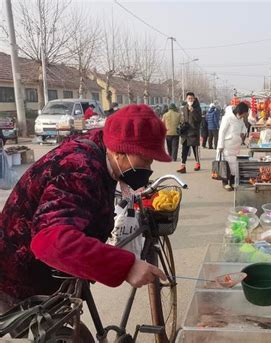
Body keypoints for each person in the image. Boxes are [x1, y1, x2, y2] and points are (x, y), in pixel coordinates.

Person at [0, 105, 170, 313]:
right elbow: (51, 241)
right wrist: (126, 266)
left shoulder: (100, 149)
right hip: (20, 276)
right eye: (145, 159)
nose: (149, 167)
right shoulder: (78, 168)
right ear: (120, 151)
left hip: (47, 273)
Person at [217, 103, 248, 191]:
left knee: (234, 165)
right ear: (239, 111)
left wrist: (243, 132)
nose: (243, 116)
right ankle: (225, 182)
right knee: (226, 164)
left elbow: (244, 128)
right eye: (243, 114)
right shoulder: (227, 118)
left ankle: (233, 181)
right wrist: (220, 145)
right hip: (227, 145)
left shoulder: (240, 119)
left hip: (236, 146)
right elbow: (222, 132)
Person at [177, 92, 202, 173]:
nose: (190, 100)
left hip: (194, 132)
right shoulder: (184, 108)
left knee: (195, 149)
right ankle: (182, 166)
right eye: (189, 98)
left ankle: (197, 163)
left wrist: (193, 111)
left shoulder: (197, 108)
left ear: (194, 99)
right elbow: (182, 118)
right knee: (184, 150)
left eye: (192, 98)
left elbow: (199, 119)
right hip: (185, 132)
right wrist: (181, 125)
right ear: (186, 99)